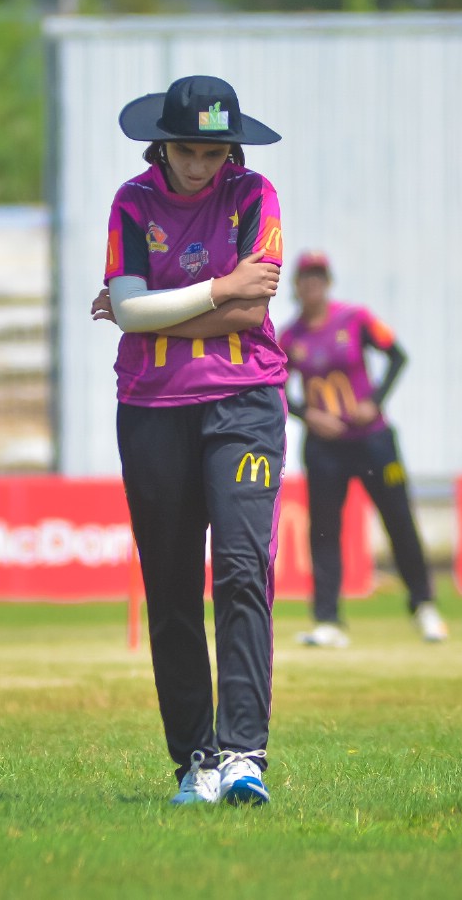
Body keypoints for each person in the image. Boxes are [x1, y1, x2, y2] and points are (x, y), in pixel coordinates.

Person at [90, 75, 287, 807]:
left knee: (240, 571)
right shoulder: (132, 202)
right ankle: (195, 763)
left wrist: (147, 312)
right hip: (151, 407)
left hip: (244, 402)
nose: (201, 166)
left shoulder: (253, 194)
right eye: (187, 151)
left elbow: (250, 311)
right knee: (171, 587)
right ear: (161, 147)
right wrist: (218, 289)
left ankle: (244, 755)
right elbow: (153, 309)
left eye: (214, 152)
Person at [280, 250, 448, 647]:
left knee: (399, 519)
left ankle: (424, 606)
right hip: (324, 447)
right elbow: (276, 386)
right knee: (324, 530)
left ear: (328, 282)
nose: (312, 284)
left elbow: (397, 357)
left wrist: (374, 401)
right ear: (297, 285)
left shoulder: (355, 319)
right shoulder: (290, 337)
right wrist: (308, 416)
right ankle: (328, 621)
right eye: (306, 278)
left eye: (319, 277)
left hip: (373, 441)